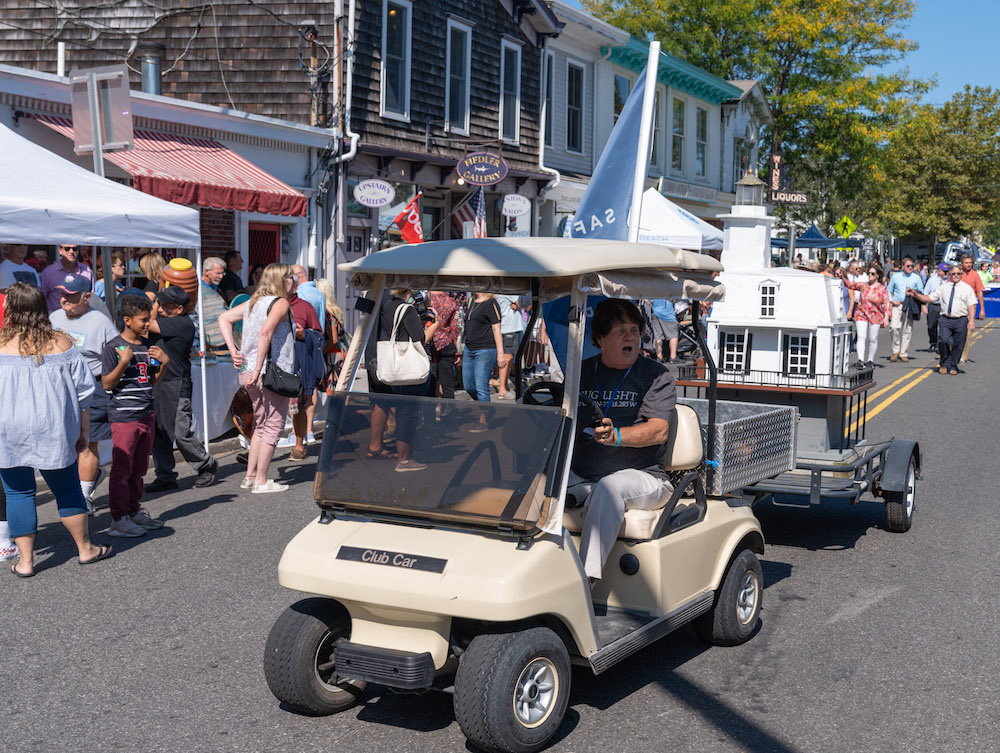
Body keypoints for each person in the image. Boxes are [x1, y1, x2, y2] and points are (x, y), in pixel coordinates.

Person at [0, 283, 112, 575]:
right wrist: (84, 431)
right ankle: (85, 549)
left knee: (18, 493)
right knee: (67, 488)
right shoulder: (62, 342)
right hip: (53, 426)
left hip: (8, 428)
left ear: (10, 309)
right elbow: (84, 392)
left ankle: (25, 562)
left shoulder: (0, 344)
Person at [568, 299, 675, 582]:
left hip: (644, 476)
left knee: (609, 487)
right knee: (532, 482)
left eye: (634, 331)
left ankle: (584, 584)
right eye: (620, 331)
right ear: (600, 339)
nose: (630, 337)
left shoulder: (655, 375)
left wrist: (616, 436)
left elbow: (659, 430)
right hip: (583, 475)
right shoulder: (580, 372)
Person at [218, 264, 297, 493]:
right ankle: (261, 481)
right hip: (270, 372)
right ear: (282, 279)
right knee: (273, 424)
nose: (294, 281)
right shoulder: (280, 303)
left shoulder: (254, 302)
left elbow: (224, 318)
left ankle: (250, 476)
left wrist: (233, 350)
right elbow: (265, 332)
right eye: (291, 277)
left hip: (248, 369)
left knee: (261, 424)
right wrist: (259, 367)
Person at [48, 273, 119, 512]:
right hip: (58, 389)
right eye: (62, 294)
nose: (64, 300)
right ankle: (87, 480)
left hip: (92, 389)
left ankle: (85, 496)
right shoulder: (54, 317)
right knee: (66, 442)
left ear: (86, 297)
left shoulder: (101, 321)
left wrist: (110, 381)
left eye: (71, 296)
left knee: (87, 443)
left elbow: (119, 353)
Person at [100, 295, 169, 537]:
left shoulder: (146, 345)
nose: (148, 324)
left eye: (148, 319)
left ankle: (133, 510)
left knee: (139, 469)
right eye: (143, 320)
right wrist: (123, 362)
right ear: (127, 320)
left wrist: (164, 364)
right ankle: (119, 518)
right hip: (124, 417)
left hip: (146, 414)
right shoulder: (114, 347)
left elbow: (149, 382)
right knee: (122, 469)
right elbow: (107, 384)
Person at [145, 287, 219, 492]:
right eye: (160, 303)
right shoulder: (170, 320)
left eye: (165, 305)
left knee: (180, 431)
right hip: (159, 381)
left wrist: (155, 304)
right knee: (160, 432)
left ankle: (206, 464)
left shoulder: (182, 323)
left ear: (179, 309)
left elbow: (149, 323)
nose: (160, 308)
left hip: (177, 383)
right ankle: (165, 475)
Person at [365, 289, 436, 471]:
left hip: (386, 360)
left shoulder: (386, 303)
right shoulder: (406, 309)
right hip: (406, 369)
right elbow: (419, 338)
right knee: (407, 411)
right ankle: (404, 460)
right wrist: (434, 325)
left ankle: (391, 452)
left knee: (389, 404)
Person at [908, 266, 976, 375]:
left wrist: (971, 321)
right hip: (945, 319)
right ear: (950, 275)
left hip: (961, 319)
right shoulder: (943, 287)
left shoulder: (967, 288)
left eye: (958, 273)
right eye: (953, 274)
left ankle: (953, 366)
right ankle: (944, 363)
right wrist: (916, 295)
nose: (956, 276)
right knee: (944, 341)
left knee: (958, 344)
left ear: (961, 275)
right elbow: (929, 298)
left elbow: (971, 305)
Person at [462, 292, 504, 430]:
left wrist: (500, 353)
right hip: (469, 348)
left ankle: (483, 419)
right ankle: (487, 407)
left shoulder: (491, 303)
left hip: (485, 349)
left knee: (481, 387)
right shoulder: (471, 301)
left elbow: (496, 329)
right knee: (468, 385)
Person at [843, 266, 891, 366]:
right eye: (869, 273)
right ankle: (860, 360)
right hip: (861, 313)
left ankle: (870, 360)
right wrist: (842, 276)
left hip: (875, 315)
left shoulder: (882, 289)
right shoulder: (863, 285)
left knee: (873, 338)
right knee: (861, 337)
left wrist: (886, 318)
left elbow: (886, 303)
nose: (870, 275)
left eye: (873, 274)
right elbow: (850, 285)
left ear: (877, 275)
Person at [885, 256, 923, 362]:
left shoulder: (916, 278)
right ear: (902, 267)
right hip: (898, 305)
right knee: (894, 327)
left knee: (907, 329)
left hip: (910, 305)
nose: (910, 268)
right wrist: (892, 300)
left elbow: (921, 291)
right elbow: (888, 290)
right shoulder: (895, 277)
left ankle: (903, 353)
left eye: (911, 266)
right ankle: (895, 350)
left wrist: (915, 294)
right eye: (908, 266)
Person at [427, 290, 459, 406]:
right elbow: (455, 327)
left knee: (429, 384)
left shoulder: (427, 299)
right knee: (448, 385)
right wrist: (457, 350)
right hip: (446, 342)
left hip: (429, 342)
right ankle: (449, 412)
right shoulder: (450, 300)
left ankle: (429, 413)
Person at [41, 243, 94, 311]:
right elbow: (42, 298)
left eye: (75, 249)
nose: (71, 251)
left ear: (78, 250)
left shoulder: (86, 270)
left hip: (82, 315)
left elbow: (92, 297)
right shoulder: (48, 273)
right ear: (60, 250)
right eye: (67, 249)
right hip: (56, 316)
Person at [495, 294, 525, 399]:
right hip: (510, 327)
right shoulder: (510, 291)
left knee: (509, 357)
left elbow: (520, 304)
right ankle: (502, 389)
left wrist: (519, 305)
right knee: (507, 357)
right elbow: (523, 303)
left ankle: (505, 387)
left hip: (510, 326)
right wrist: (520, 305)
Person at [959, 254, 985, 365]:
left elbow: (979, 292)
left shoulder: (975, 275)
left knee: (968, 333)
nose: (969, 265)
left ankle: (963, 357)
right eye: (966, 263)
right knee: (954, 332)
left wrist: (982, 309)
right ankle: (952, 353)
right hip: (957, 306)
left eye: (970, 263)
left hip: (970, 307)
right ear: (961, 264)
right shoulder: (956, 274)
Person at [922, 263, 948, 351]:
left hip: (944, 306)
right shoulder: (932, 280)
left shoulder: (949, 281)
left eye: (947, 271)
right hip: (933, 305)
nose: (946, 273)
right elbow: (925, 293)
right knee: (931, 326)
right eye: (944, 271)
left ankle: (942, 345)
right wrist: (924, 306)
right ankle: (933, 342)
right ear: (939, 271)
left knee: (944, 327)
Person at [648, 298, 680, 362]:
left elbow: (648, 300)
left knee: (658, 336)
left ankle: (659, 357)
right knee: (673, 335)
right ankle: (673, 357)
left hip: (655, 312)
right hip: (667, 313)